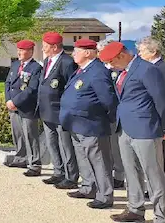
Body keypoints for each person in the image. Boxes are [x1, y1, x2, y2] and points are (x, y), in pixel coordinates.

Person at [99, 41, 165, 223]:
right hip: (125, 128)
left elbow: (162, 102)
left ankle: (161, 216)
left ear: (122, 56)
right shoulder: (124, 71)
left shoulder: (147, 69)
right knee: (131, 171)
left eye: (112, 61)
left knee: (153, 175)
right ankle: (135, 209)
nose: (110, 66)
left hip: (146, 129)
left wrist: (161, 129)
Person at [59, 39, 117, 209]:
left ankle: (105, 196)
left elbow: (108, 100)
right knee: (84, 159)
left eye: (77, 51)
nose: (73, 54)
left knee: (99, 161)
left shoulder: (97, 71)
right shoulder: (81, 70)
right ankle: (87, 187)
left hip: (91, 124)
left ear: (87, 52)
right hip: (76, 124)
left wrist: (108, 118)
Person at [136, 36, 165, 208]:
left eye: (142, 51)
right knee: (157, 158)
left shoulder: (164, 69)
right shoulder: (151, 68)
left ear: (153, 52)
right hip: (155, 119)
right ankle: (161, 192)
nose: (139, 54)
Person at [37, 32, 79, 189]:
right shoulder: (48, 60)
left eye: (45, 46)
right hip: (47, 110)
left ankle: (71, 176)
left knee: (65, 145)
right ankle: (58, 171)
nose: (43, 48)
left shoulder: (67, 62)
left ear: (54, 47)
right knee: (52, 143)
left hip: (60, 111)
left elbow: (70, 88)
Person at [4, 39, 42, 177]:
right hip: (13, 107)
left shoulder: (36, 68)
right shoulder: (15, 65)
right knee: (18, 134)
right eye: (18, 49)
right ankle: (21, 158)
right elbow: (8, 82)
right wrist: (8, 100)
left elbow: (32, 89)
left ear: (30, 51)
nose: (19, 52)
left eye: (22, 50)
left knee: (30, 136)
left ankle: (35, 164)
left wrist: (15, 101)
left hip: (27, 107)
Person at [97, 38, 126, 189]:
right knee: (105, 147)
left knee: (115, 147)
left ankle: (119, 176)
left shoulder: (118, 69)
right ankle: (108, 173)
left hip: (115, 113)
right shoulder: (102, 68)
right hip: (101, 114)